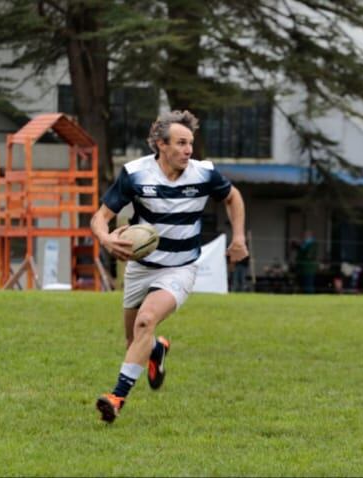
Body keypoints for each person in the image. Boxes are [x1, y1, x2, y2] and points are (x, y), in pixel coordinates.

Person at [90, 110, 248, 423]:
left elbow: (233, 197)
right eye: (180, 143)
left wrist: (239, 237)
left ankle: (116, 398)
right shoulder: (136, 174)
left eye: (190, 143)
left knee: (146, 322)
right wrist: (106, 240)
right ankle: (156, 351)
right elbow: (99, 218)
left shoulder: (203, 174)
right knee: (133, 340)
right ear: (161, 145)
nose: (188, 150)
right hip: (140, 267)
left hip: (180, 268)